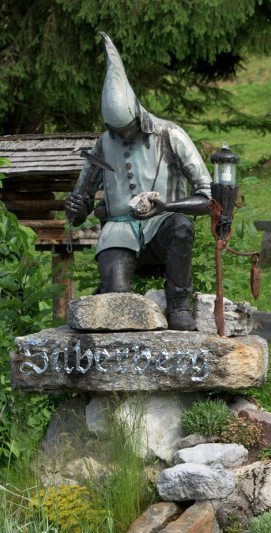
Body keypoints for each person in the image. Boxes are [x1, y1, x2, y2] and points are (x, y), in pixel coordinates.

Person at [65, 33, 213, 331]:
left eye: (128, 129)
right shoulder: (103, 145)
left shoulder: (170, 135)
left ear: (138, 116)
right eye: (117, 130)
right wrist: (76, 207)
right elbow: (79, 211)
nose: (124, 136)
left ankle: (178, 305)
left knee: (181, 226)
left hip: (163, 226)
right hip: (119, 230)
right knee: (116, 301)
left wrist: (166, 206)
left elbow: (208, 198)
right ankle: (111, 292)